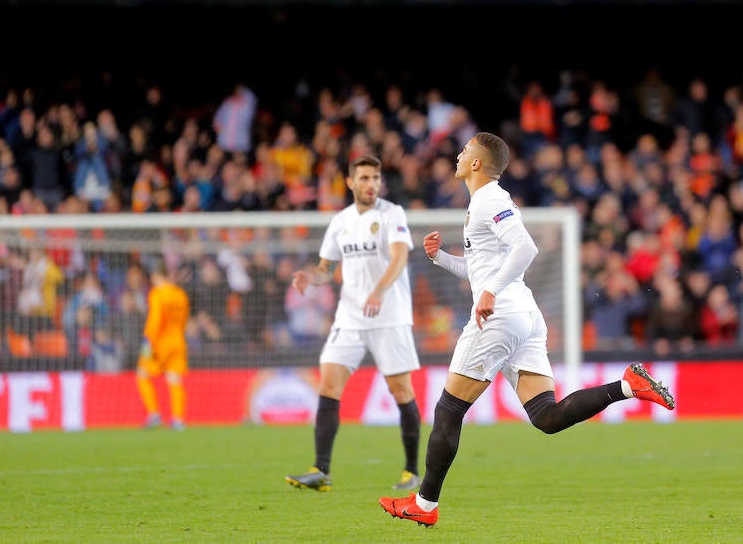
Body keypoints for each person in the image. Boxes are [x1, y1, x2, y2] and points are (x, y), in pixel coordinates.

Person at [379, 132, 675, 527]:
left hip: (500, 315)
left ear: (477, 163)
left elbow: (526, 249)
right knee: (546, 416)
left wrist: (490, 292)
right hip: (523, 315)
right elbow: (485, 267)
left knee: (449, 409)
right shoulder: (482, 203)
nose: (459, 153)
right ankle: (626, 386)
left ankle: (425, 504)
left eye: (465, 149)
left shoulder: (490, 199)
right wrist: (443, 260)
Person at [286, 154, 422, 492]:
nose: (371, 184)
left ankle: (412, 471)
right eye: (363, 178)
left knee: (400, 390)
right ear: (350, 183)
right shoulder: (340, 222)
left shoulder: (392, 214)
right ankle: (320, 470)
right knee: (328, 385)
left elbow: (401, 257)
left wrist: (378, 291)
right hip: (349, 316)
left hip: (389, 315)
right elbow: (326, 269)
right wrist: (310, 277)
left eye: (375, 178)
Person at [136, 259, 191, 430]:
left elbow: (154, 321)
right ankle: (178, 419)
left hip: (159, 343)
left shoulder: (157, 294)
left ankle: (154, 414)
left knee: (142, 374)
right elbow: (183, 320)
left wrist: (147, 344)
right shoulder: (180, 294)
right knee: (174, 379)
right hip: (178, 341)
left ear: (155, 275)